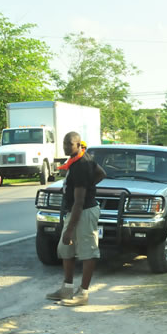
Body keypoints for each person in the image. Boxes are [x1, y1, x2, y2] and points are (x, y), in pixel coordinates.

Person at [46, 131, 106, 306]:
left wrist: (70, 230)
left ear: (79, 145)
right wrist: (90, 184)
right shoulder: (78, 159)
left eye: (69, 144)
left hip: (84, 211)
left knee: (88, 252)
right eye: (64, 143)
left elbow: (79, 201)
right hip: (75, 210)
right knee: (66, 249)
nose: (65, 147)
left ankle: (83, 293)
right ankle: (67, 288)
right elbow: (101, 173)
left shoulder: (81, 165)